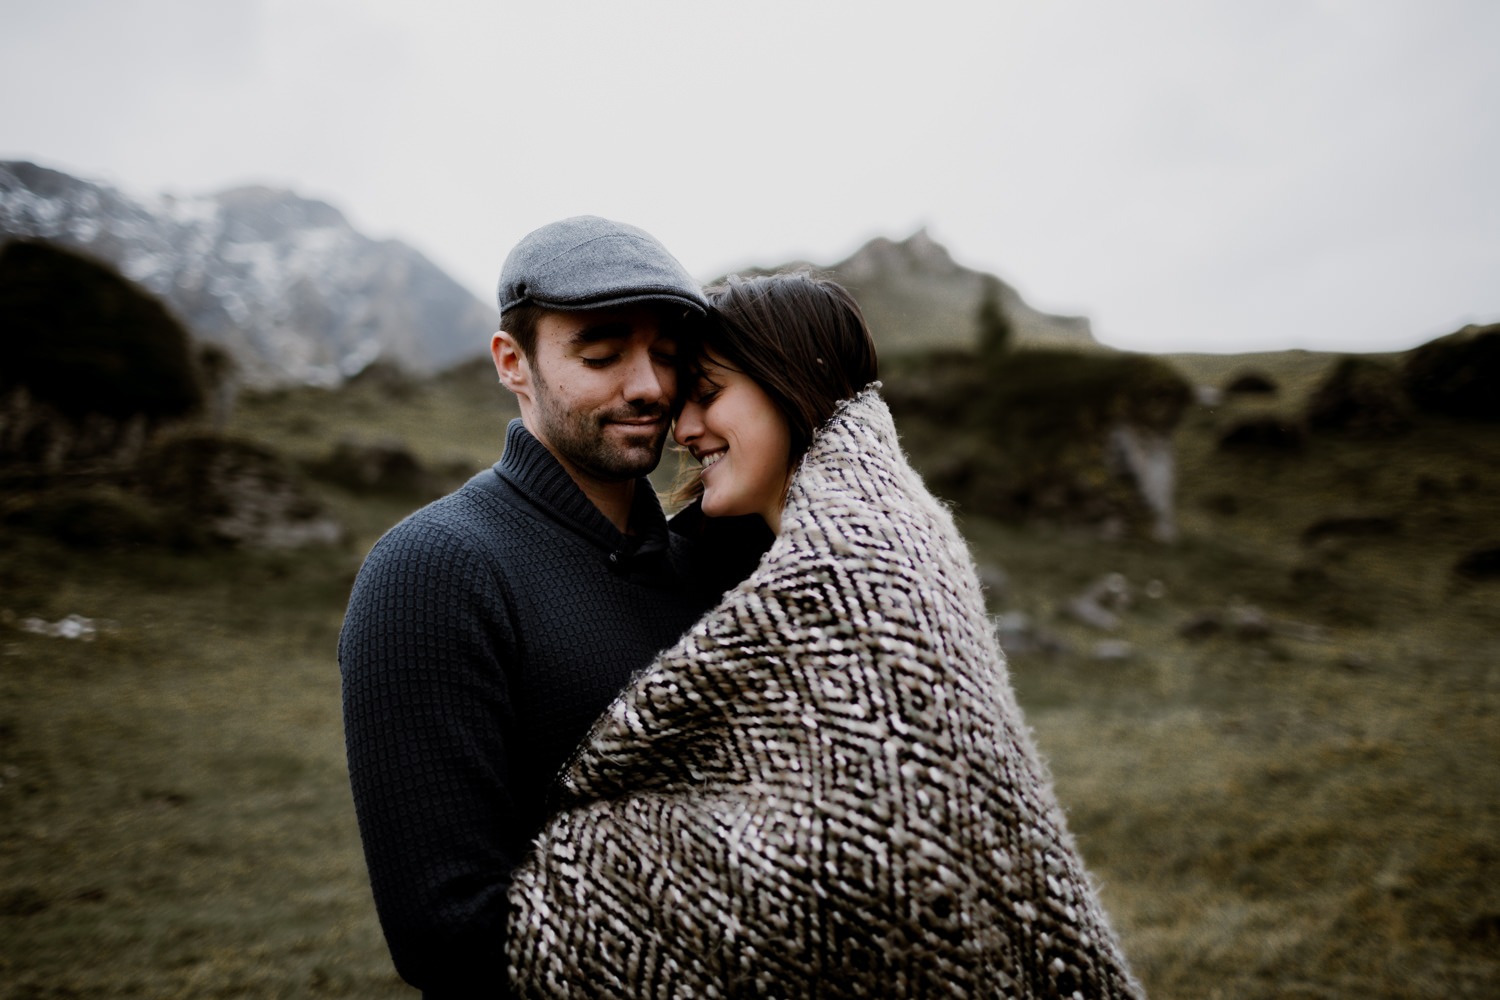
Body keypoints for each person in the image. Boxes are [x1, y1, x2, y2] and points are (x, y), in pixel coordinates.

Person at [507, 272, 1145, 998]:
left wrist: (588, 858)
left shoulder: (845, 561)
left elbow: (879, 838)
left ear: (785, 385)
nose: (683, 430)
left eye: (709, 394)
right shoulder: (888, 523)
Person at [338, 217, 767, 999]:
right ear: (514, 362)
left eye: (667, 354)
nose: (649, 387)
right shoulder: (431, 570)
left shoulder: (709, 559)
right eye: (600, 354)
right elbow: (447, 935)